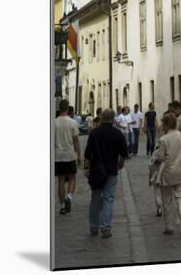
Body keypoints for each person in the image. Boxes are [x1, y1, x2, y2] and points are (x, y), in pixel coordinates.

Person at [84, 109, 128, 238]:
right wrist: (121, 163)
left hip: (96, 171)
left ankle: (93, 226)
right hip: (111, 170)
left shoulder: (94, 133)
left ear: (102, 118)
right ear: (114, 119)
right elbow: (124, 153)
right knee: (108, 198)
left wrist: (87, 169)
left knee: (95, 198)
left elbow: (87, 154)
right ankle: (105, 228)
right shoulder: (117, 133)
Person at [152, 113, 181, 236]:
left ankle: (169, 227)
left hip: (168, 173)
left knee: (167, 200)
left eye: (163, 125)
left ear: (167, 125)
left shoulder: (163, 139)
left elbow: (159, 157)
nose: (162, 127)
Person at [55, 99, 81, 215]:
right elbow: (76, 140)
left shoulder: (54, 122)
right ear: (67, 108)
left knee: (61, 180)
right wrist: (79, 155)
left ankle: (62, 206)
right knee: (72, 178)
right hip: (70, 154)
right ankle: (69, 197)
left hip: (58, 155)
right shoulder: (72, 122)